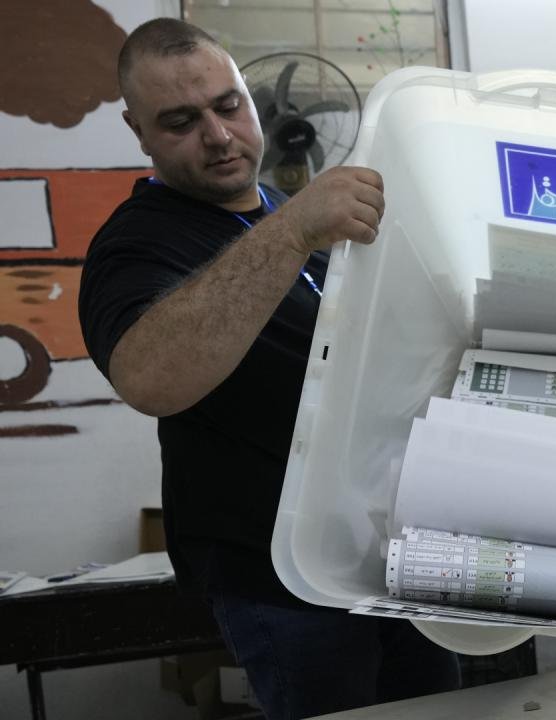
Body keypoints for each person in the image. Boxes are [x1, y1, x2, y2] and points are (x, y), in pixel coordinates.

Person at [78, 19, 458, 719]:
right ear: (138, 131)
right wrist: (294, 230)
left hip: (389, 552)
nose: (219, 136)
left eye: (228, 105)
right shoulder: (136, 244)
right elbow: (149, 378)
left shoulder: (288, 215)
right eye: (181, 121)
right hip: (280, 579)